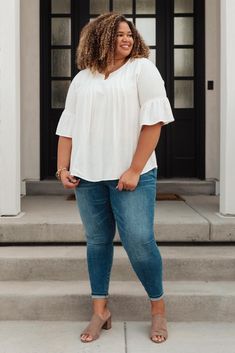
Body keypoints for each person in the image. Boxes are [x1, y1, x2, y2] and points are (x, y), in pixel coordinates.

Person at [56, 12, 174, 344]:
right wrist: (63, 168)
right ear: (99, 37)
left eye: (129, 34)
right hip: (87, 175)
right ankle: (100, 311)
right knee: (97, 243)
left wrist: (135, 168)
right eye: (118, 33)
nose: (127, 39)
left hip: (131, 175)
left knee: (139, 241)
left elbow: (154, 122)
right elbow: (68, 127)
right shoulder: (83, 79)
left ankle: (158, 310)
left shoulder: (142, 69)